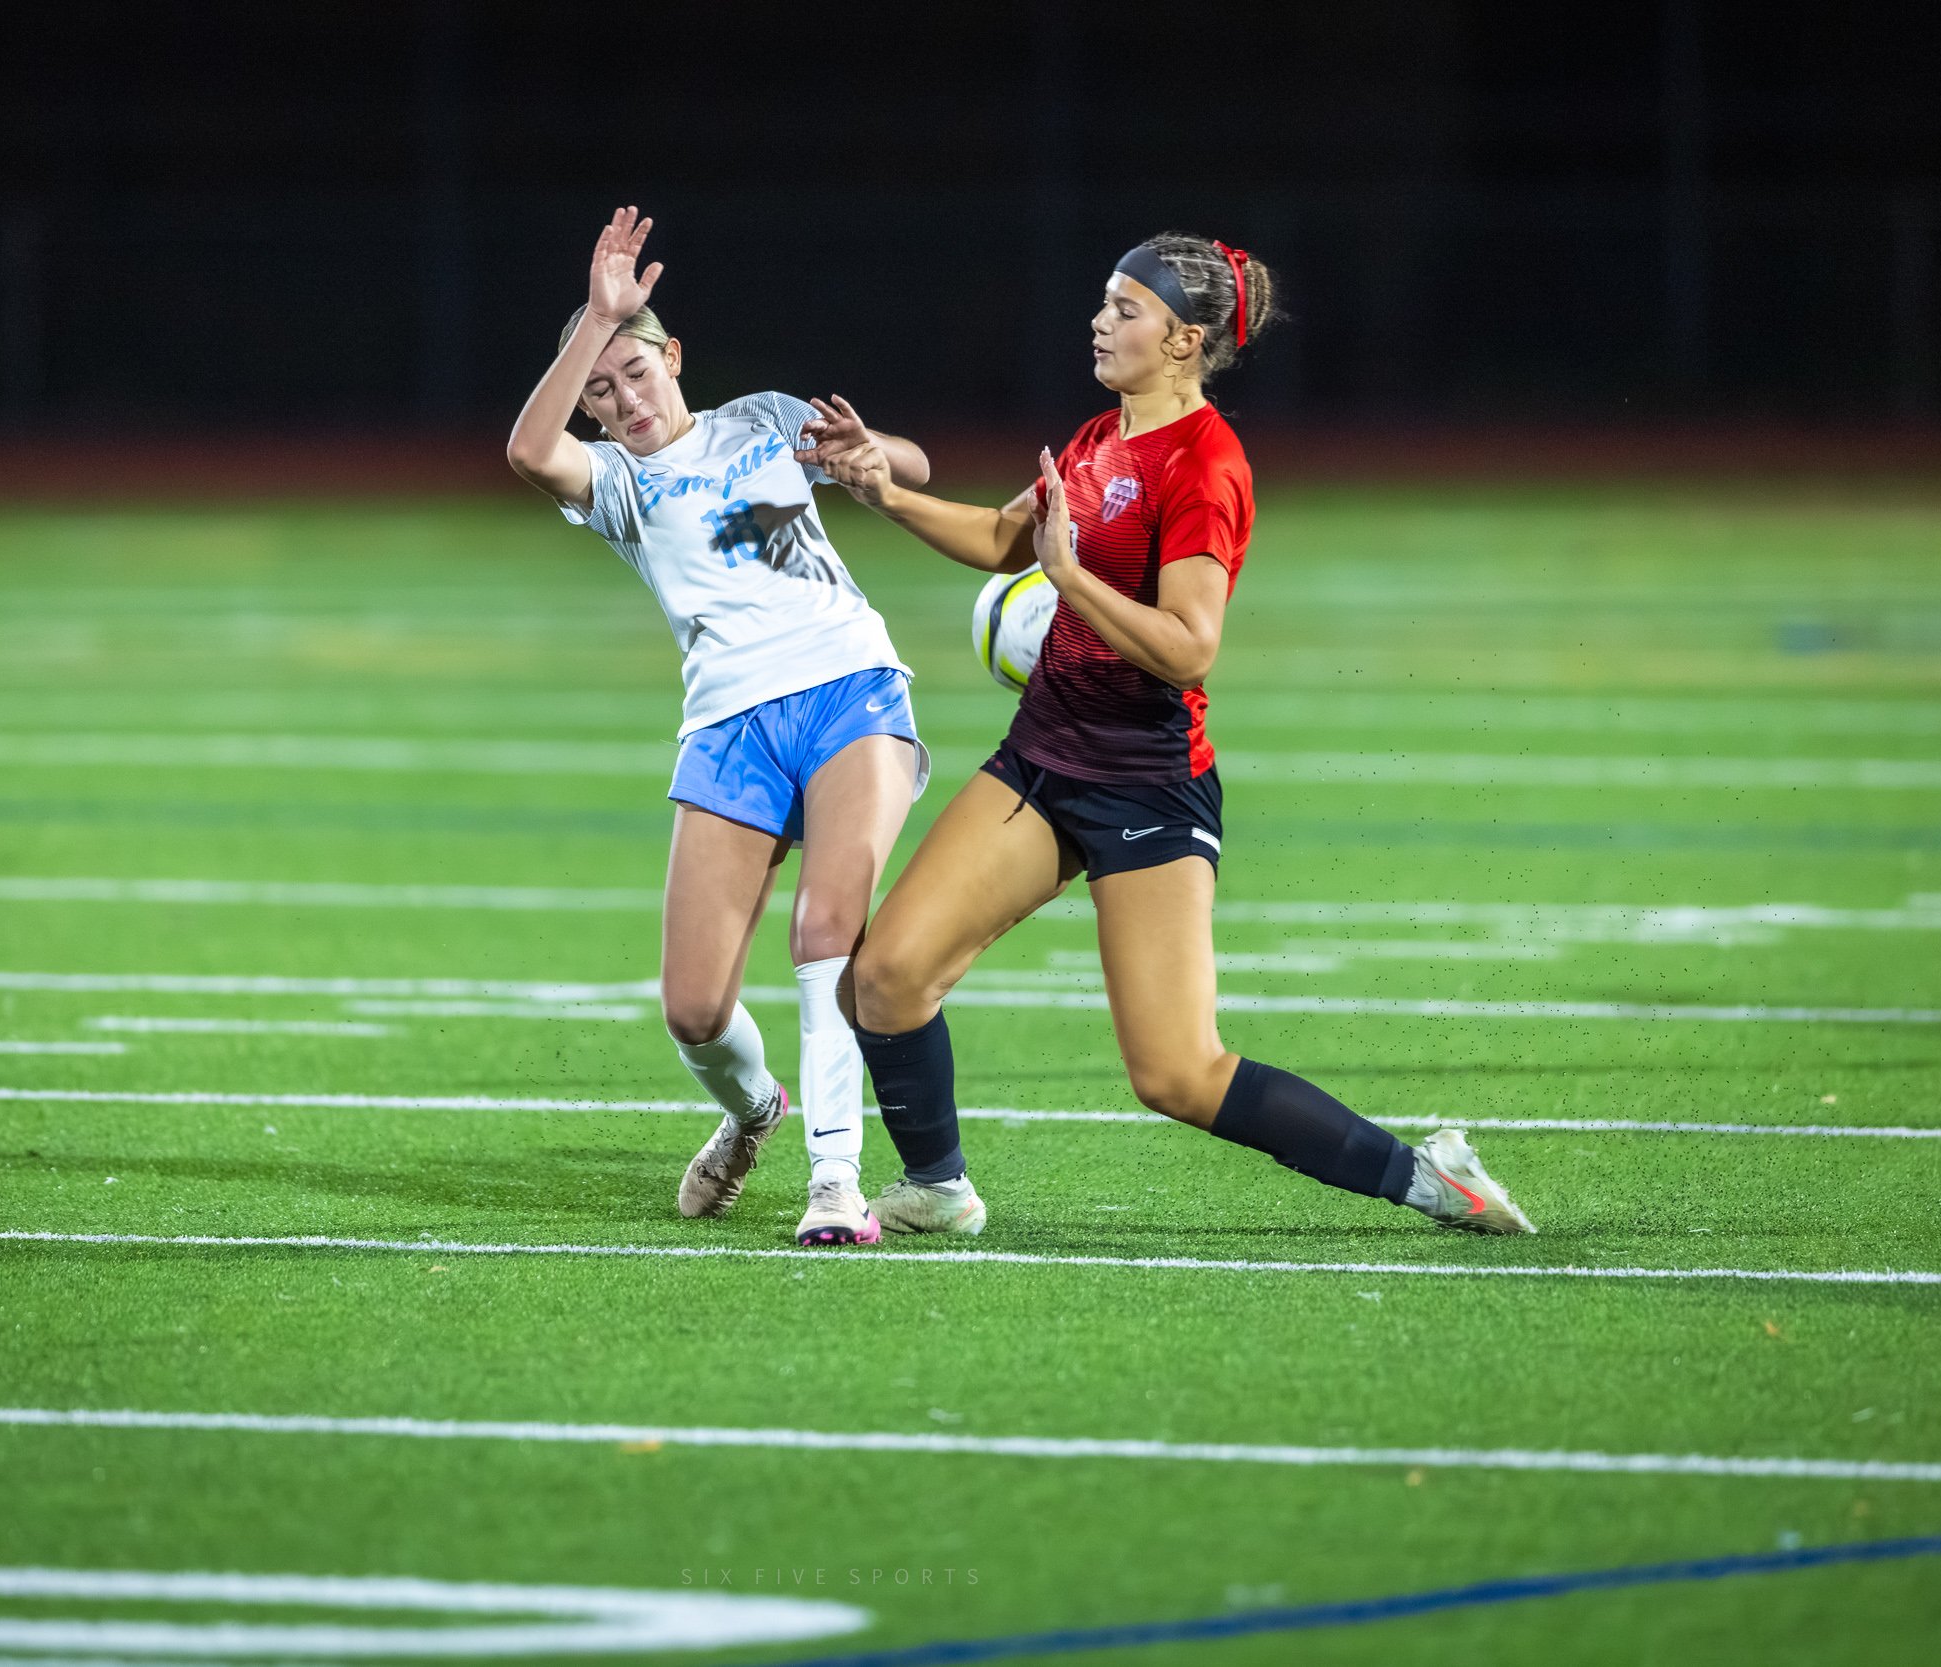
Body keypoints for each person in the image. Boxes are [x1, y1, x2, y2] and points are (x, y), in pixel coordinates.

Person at [802, 231, 1535, 1237]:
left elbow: (1190, 648)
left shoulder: (1205, 464)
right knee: (884, 978)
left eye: (1125, 308)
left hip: (1145, 785)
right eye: (1104, 302)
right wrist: (884, 494)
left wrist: (1069, 580)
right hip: (1040, 759)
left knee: (1176, 1073)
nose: (1099, 322)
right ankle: (936, 1184)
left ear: (1185, 340)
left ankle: (1425, 1177)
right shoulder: (1099, 437)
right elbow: (1007, 538)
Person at [505, 206, 934, 1246]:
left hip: (848, 688)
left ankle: (836, 1183)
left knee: (824, 933)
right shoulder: (617, 483)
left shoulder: (763, 421)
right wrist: (593, 323)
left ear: (674, 358)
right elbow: (528, 451)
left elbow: (911, 469)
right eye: (600, 390)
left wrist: (871, 452)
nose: (624, 400)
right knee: (693, 1010)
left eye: (634, 371)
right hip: (730, 727)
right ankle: (753, 1114)